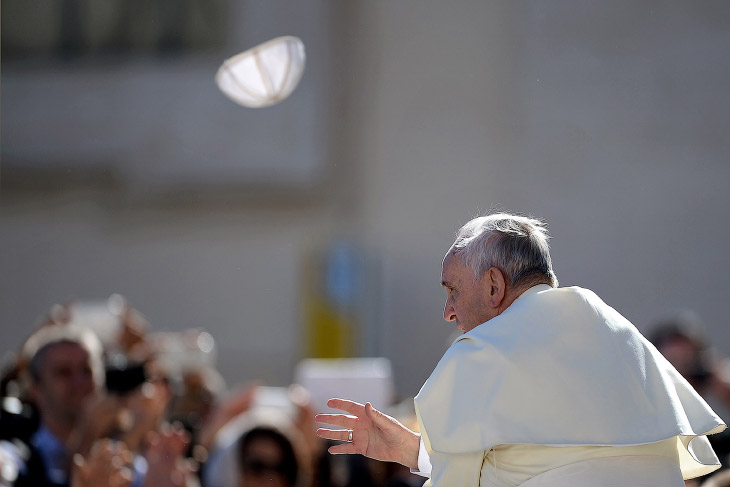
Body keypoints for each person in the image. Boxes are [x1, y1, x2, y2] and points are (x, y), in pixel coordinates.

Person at [315, 212, 727, 486]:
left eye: (453, 291)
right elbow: (533, 467)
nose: (448, 311)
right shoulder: (616, 333)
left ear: (494, 286)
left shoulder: (482, 353)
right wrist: (414, 451)